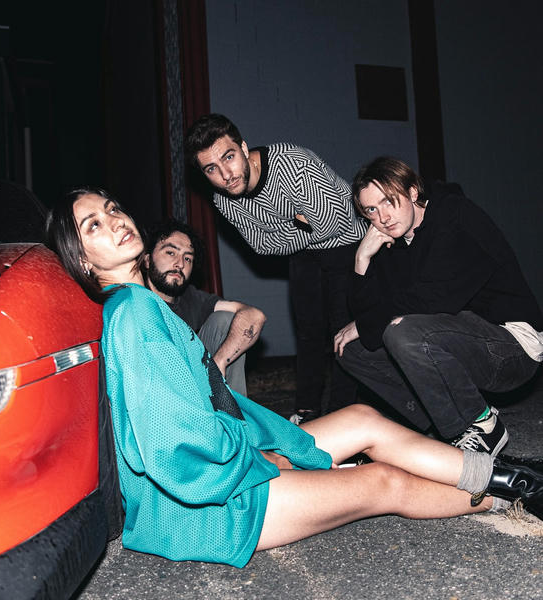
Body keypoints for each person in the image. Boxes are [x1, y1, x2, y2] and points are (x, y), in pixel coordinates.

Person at [46, 185, 543, 568]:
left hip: (228, 462)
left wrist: (278, 443)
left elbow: (218, 403)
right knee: (382, 482)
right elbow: (171, 447)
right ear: (82, 259)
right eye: (94, 225)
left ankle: (499, 472)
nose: (115, 221)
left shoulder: (147, 304)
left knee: (362, 419)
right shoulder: (133, 314)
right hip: (210, 507)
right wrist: (259, 461)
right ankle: (509, 496)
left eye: (112, 208)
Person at [334, 156, 543, 456]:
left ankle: (481, 424)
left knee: (402, 331)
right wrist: (361, 259)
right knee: (353, 349)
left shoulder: (454, 214)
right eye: (371, 210)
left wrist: (370, 322)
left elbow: (436, 298)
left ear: (412, 192)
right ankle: (438, 427)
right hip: (458, 339)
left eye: (388, 201)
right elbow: (366, 316)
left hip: (512, 346)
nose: (383, 217)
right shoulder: (392, 244)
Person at [184, 113, 366, 421]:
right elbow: (261, 245)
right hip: (305, 253)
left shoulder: (293, 164)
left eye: (229, 157)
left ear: (243, 148)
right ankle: (306, 411)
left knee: (343, 332)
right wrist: (302, 222)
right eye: (211, 169)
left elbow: (334, 224)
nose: (226, 175)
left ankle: (343, 413)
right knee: (308, 331)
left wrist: (287, 230)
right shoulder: (224, 200)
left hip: (347, 243)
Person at [144, 218, 266, 396]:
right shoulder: (134, 298)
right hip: (153, 392)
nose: (180, 264)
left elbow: (254, 315)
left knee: (226, 320)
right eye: (170, 253)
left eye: (188, 258)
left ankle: (230, 411)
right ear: (147, 260)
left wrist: (219, 362)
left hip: (193, 382)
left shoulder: (191, 297)